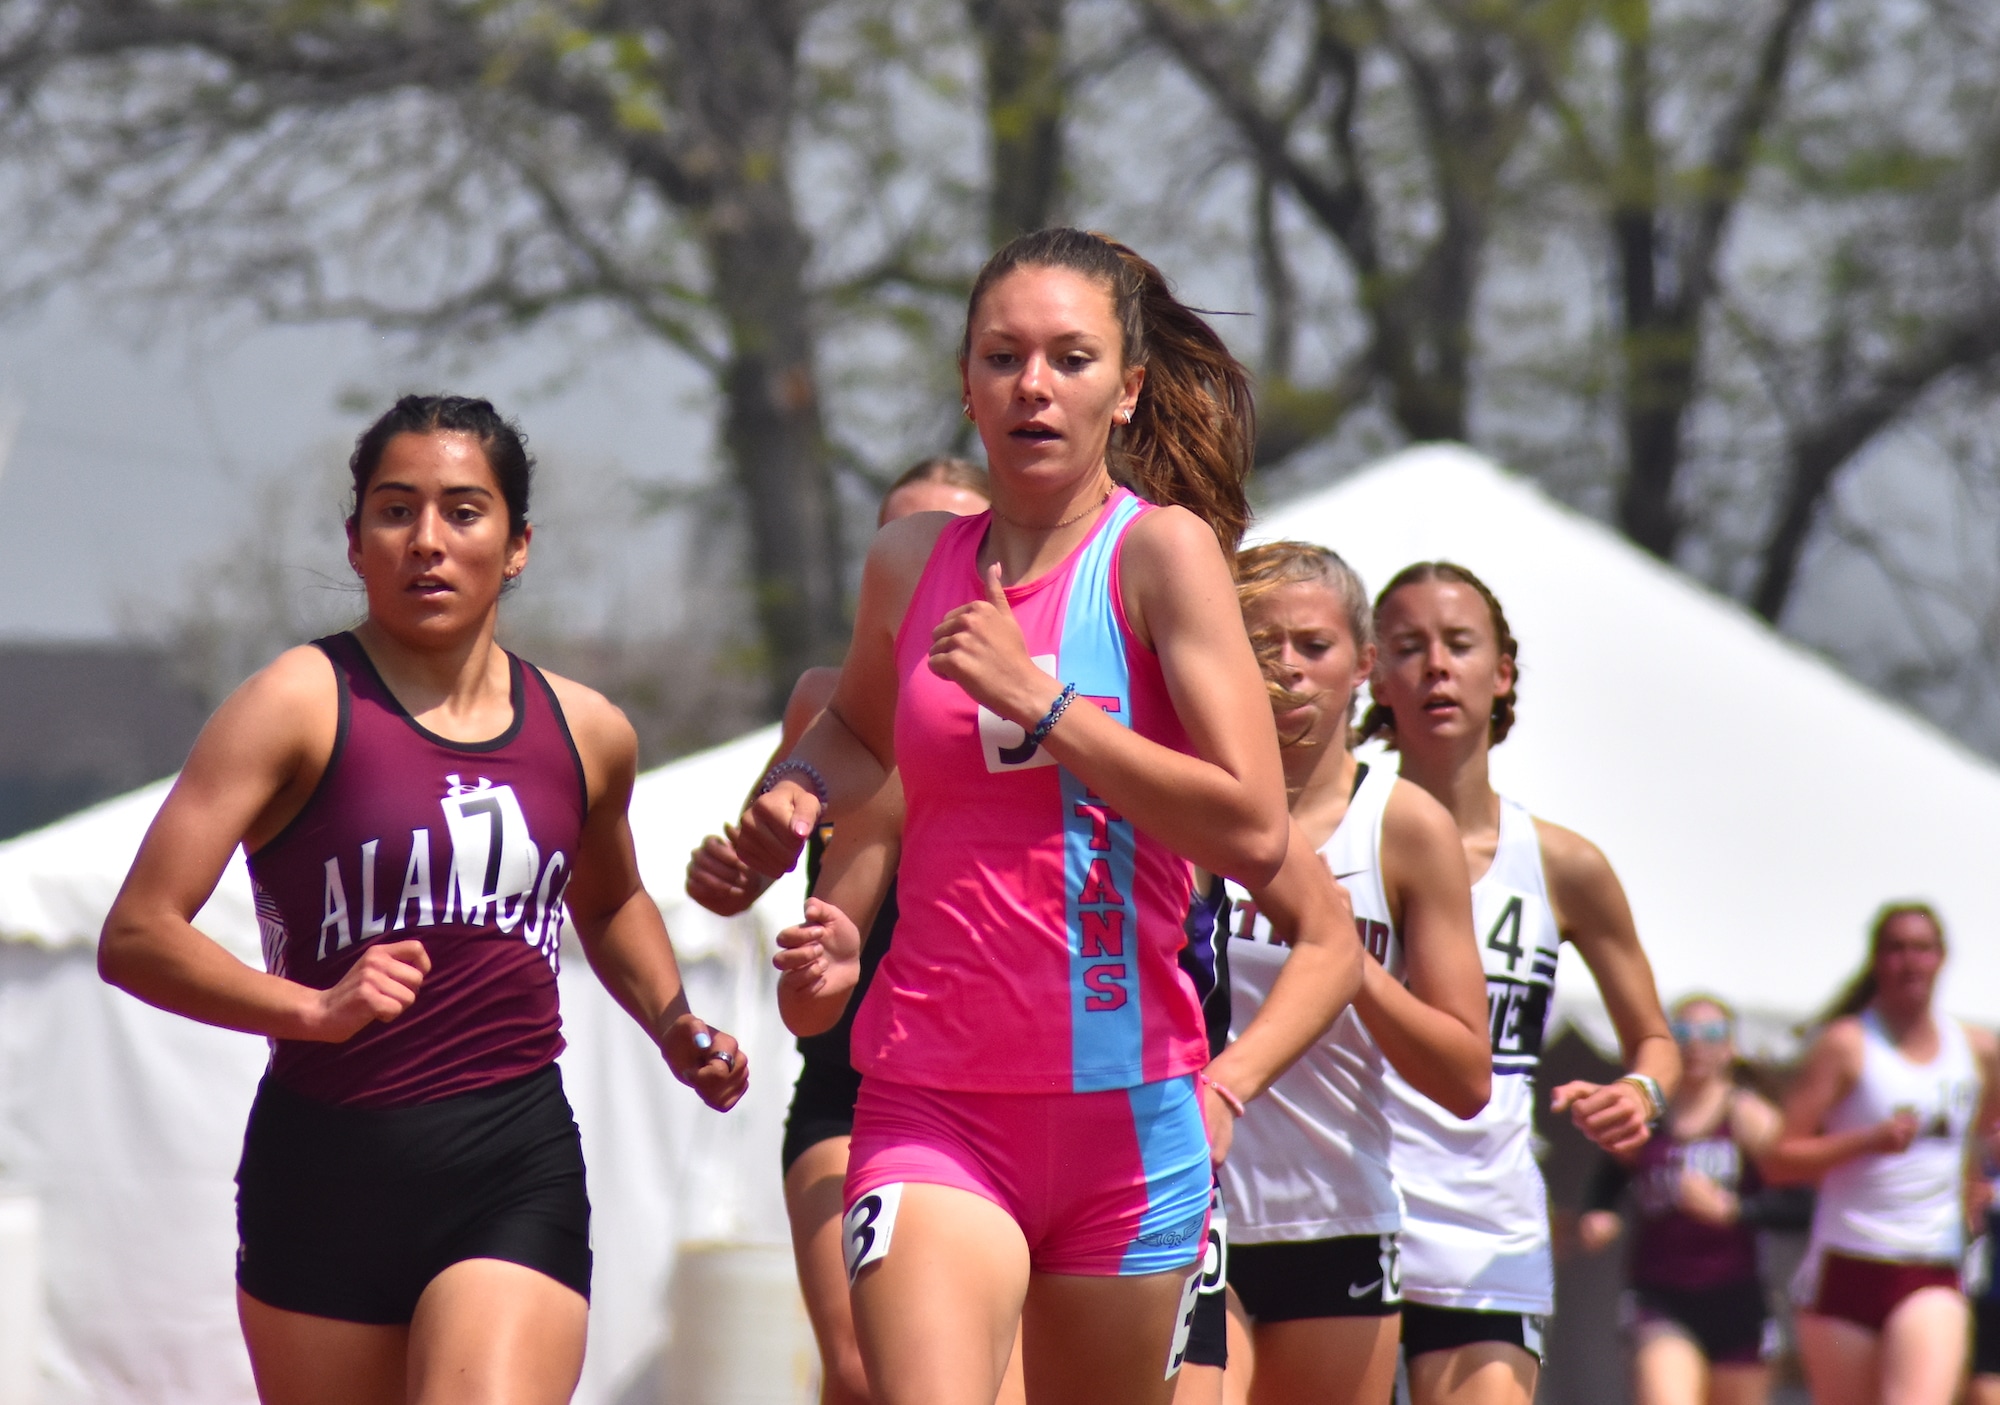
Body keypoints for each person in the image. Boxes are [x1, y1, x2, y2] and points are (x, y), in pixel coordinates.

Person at [732, 226, 1365, 1405]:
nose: (1032, 385)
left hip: (1128, 1116)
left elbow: (1250, 827)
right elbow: (858, 731)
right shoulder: (907, 559)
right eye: (1002, 356)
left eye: (1069, 359)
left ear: (1125, 389)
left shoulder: (1160, 555)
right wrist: (791, 795)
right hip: (933, 1099)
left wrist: (1046, 705)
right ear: (966, 383)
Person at [97, 395, 749, 1405]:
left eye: (463, 511)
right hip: (323, 1172)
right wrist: (313, 1009)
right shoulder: (295, 703)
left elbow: (611, 899)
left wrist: (672, 1021)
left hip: (511, 1162)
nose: (427, 541)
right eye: (396, 511)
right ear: (354, 541)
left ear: (518, 544)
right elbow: (138, 934)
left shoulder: (587, 731)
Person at [684, 454, 993, 1405]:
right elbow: (761, 854)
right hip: (849, 1084)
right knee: (862, 1366)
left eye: (954, 539)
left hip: (995, 1086)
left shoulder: (1034, 707)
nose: (930, 561)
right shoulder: (826, 702)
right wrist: (728, 875)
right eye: (908, 539)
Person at [1362, 560, 1681, 1405]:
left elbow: (1654, 1037)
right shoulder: (1335, 838)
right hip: (1347, 1206)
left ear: (1502, 671)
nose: (1436, 665)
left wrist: (1641, 1091)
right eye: (1409, 646)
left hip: (1486, 1229)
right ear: (1375, 675)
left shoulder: (1563, 864)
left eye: (1459, 644)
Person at [1201, 542, 1489, 1405]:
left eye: (1313, 645)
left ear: (1364, 663)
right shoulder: (1180, 802)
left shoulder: (1404, 827)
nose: (1287, 667)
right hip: (1193, 1201)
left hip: (1336, 1219)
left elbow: (1466, 1075)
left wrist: (1343, 960)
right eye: (1262, 645)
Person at [1763, 903, 2000, 1405]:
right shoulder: (1847, 1045)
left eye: (1922, 949)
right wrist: (1866, 1141)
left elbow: (1981, 1132)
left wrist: (1973, 1181)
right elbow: (1779, 1159)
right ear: (1876, 960)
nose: (1910, 962)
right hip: (1847, 1265)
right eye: (1896, 949)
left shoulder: (1976, 1050)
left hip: (1930, 1263)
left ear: (1941, 958)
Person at [1577, 995, 1789, 1405]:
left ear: (1730, 1047)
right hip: (1660, 1297)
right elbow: (1611, 1175)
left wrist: (1735, 1210)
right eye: (1682, 1033)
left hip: (1737, 1301)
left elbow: (1802, 1204)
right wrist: (1598, 1213)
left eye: (1711, 1033)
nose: (1696, 1044)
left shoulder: (1749, 1117)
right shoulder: (1650, 1118)